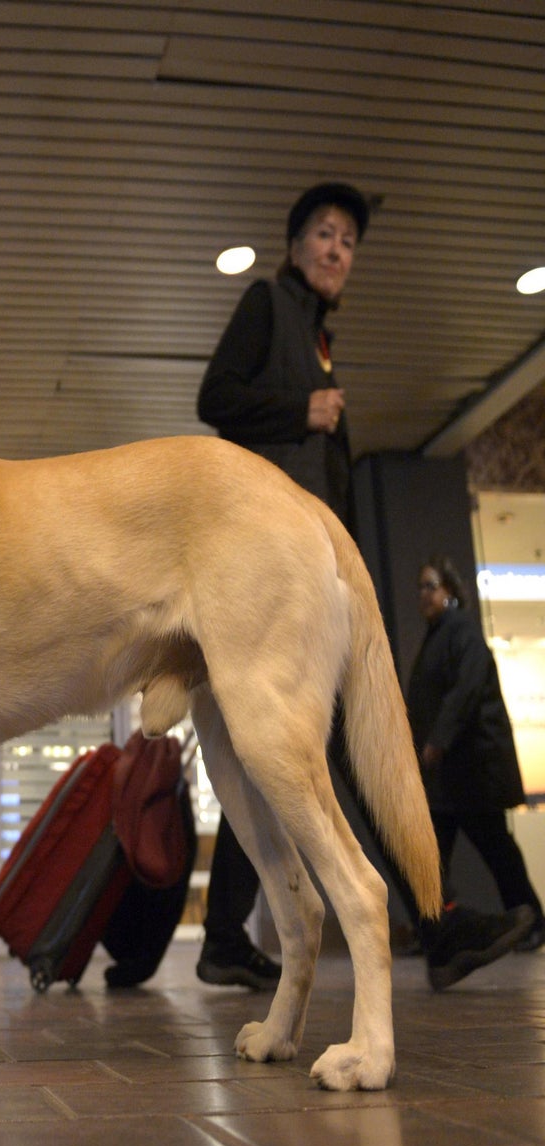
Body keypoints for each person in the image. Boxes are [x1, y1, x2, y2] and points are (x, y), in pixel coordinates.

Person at [195, 181, 532, 991]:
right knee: (334, 738)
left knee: (271, 748)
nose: (338, 250)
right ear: (295, 245)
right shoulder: (266, 307)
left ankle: (228, 940)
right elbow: (214, 399)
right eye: (324, 234)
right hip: (263, 562)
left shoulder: (318, 338)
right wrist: (302, 410)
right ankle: (436, 920)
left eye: (348, 240)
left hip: (302, 570)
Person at [407, 557, 543, 954]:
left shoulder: (461, 631)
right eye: (420, 588)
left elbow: (464, 692)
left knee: (496, 848)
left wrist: (437, 741)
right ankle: (432, 933)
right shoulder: (437, 636)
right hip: (448, 776)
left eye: (430, 585)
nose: (423, 595)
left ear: (449, 590)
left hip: (471, 770)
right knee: (432, 857)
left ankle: (533, 920)